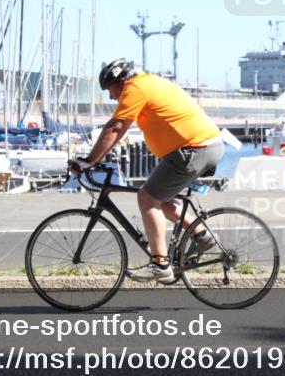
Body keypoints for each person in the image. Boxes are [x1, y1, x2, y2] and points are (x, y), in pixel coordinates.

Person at [69, 58, 224, 282]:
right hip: (200, 146)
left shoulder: (135, 88)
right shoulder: (148, 83)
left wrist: (89, 161)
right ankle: (201, 235)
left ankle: (160, 264)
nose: (112, 97)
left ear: (120, 81)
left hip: (194, 149)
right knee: (160, 201)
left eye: (110, 90)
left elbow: (115, 128)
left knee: (146, 199)